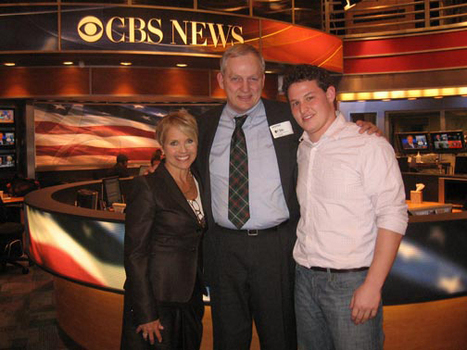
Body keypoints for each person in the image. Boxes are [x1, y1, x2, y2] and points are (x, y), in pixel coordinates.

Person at [195, 44, 380, 350]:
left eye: (253, 78)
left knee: (281, 337)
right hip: (223, 249)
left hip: (277, 248)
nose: (245, 88)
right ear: (221, 80)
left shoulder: (291, 115)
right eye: (236, 79)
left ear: (263, 79)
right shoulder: (204, 125)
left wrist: (361, 130)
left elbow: (329, 130)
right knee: (227, 340)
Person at [282, 64, 408, 350]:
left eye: (310, 98)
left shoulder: (367, 145)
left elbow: (393, 215)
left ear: (330, 94)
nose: (303, 109)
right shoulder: (302, 148)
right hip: (304, 277)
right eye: (295, 103)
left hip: (350, 282)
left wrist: (373, 285)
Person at [121, 110, 206, 350]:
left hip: (190, 296)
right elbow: (135, 254)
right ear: (163, 146)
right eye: (174, 142)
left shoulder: (199, 179)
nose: (183, 150)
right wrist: (146, 312)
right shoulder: (147, 186)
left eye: (189, 141)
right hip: (158, 299)